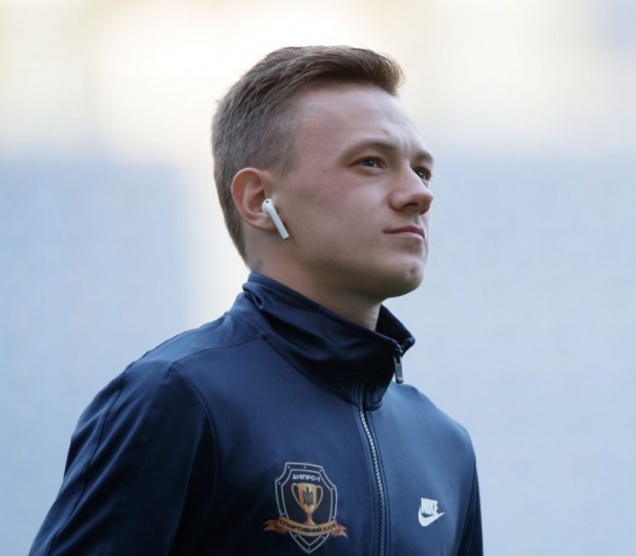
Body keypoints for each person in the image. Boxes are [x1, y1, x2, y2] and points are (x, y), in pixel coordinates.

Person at [30, 45, 482, 555]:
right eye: (371, 162)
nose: (419, 194)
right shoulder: (179, 397)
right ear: (258, 201)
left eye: (423, 171)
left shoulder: (445, 445)